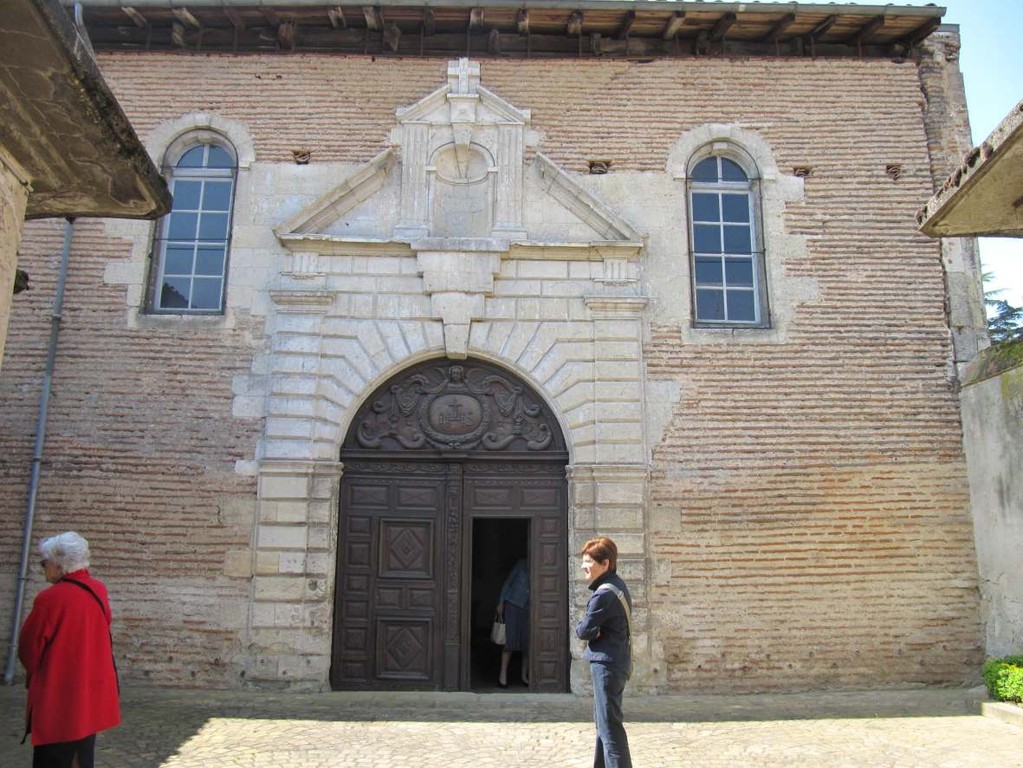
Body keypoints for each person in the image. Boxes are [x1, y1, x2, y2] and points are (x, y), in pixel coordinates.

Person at [19, 531, 120, 768]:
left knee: (54, 758)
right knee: (81, 756)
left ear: (59, 564)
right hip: (90, 692)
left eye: (44, 563)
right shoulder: (98, 589)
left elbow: (28, 650)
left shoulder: (50, 598)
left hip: (59, 695)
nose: (43, 568)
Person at [576, 536, 633, 768]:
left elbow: (583, 630)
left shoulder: (604, 594)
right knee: (604, 726)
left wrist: (591, 631)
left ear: (605, 563)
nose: (583, 566)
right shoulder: (617, 586)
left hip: (607, 666)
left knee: (610, 731)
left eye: (588, 561)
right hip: (615, 662)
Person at [496, 556, 529, 688]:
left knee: (527, 643)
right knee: (509, 641)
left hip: (530, 609)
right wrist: (501, 602)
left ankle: (524, 676)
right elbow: (508, 582)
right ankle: (502, 675)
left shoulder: (540, 566)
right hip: (513, 605)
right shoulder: (521, 565)